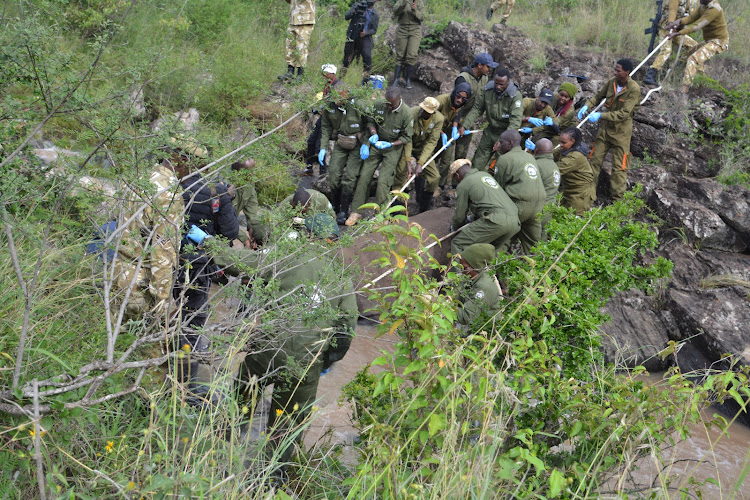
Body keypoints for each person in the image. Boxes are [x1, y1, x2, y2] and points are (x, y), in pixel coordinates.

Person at [212, 214, 357, 479]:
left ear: (308, 235)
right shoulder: (341, 275)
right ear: (333, 239)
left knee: (241, 398)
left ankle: (220, 459)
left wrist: (209, 244)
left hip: (265, 349)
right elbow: (347, 328)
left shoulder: (288, 256)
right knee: (286, 427)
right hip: (305, 363)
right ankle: (268, 483)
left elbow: (241, 263)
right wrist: (327, 360)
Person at [170, 137, 239, 407]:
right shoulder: (215, 191)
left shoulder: (168, 185)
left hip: (166, 263)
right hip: (198, 266)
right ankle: (185, 386)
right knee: (192, 321)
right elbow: (231, 232)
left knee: (162, 311)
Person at [112, 158, 183, 323]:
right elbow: (162, 251)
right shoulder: (168, 192)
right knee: (149, 346)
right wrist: (163, 302)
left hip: (120, 272)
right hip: (142, 286)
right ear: (184, 161)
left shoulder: (137, 177)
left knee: (118, 341)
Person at [346, 86, 414, 226]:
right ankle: (356, 211)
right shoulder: (379, 105)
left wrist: (391, 144)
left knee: (383, 181)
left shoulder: (406, 113)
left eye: (391, 104)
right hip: (377, 144)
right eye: (387, 103)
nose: (388, 107)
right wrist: (373, 133)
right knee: (364, 176)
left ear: (399, 99)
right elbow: (371, 121)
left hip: (392, 148)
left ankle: (381, 215)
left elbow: (407, 137)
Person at [579, 58, 640, 202]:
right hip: (605, 132)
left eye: (618, 71)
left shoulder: (634, 89)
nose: (615, 73)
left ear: (627, 72)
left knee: (619, 169)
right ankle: (588, 197)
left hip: (621, 133)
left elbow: (624, 114)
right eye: (615, 70)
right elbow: (598, 97)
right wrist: (587, 105)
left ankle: (617, 203)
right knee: (594, 162)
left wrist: (601, 115)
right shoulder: (612, 82)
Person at [449, 159, 520, 255]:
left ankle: (456, 270)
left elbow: (460, 216)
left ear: (457, 175)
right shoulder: (485, 175)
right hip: (515, 221)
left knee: (457, 244)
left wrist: (455, 228)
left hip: (496, 221)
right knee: (489, 252)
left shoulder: (464, 184)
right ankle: (486, 270)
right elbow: (490, 202)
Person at [318, 87, 367, 224]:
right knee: (333, 173)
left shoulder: (359, 106)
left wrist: (366, 144)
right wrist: (323, 148)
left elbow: (369, 125)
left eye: (340, 100)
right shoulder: (330, 107)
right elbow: (326, 128)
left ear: (347, 97)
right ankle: (335, 205)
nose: (337, 102)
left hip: (357, 144)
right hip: (341, 142)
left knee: (350, 177)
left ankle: (344, 210)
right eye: (335, 100)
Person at [491, 130, 546, 254]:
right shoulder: (530, 157)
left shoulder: (504, 159)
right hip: (538, 206)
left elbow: (498, 189)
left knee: (500, 238)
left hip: (519, 205)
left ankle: (492, 269)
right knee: (534, 245)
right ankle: (537, 269)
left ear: (510, 143)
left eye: (501, 142)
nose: (499, 144)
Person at [460, 68, 523, 172]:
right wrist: (465, 125)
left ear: (508, 82)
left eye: (501, 84)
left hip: (506, 135)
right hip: (490, 132)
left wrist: (503, 141)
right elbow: (477, 109)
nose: (498, 87)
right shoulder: (488, 90)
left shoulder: (515, 96)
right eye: (496, 83)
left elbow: (515, 122)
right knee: (477, 162)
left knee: (499, 166)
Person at [393, 96, 445, 214]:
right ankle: (397, 207)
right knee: (401, 173)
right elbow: (408, 138)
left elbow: (431, 142)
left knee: (434, 178)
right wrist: (408, 161)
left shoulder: (438, 119)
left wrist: (420, 163)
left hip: (423, 149)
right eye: (422, 109)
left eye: (426, 112)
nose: (423, 112)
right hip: (407, 145)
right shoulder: (412, 113)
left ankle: (423, 206)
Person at [664, 0, 729, 93]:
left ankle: (684, 88)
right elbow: (692, 18)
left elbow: (697, 26)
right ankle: (698, 80)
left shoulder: (714, 9)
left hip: (719, 42)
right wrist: (679, 21)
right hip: (709, 40)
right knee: (685, 58)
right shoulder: (704, 6)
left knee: (693, 59)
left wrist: (678, 33)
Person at [642, 0, 700, 87]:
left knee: (694, 46)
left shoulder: (694, 1)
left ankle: (679, 66)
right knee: (666, 50)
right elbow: (672, 10)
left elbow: (693, 16)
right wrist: (671, 23)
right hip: (666, 28)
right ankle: (651, 74)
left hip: (678, 31)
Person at [454, 53, 499, 163]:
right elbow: (456, 102)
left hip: (469, 118)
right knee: (445, 152)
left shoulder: (484, 79)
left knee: (462, 152)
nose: (490, 69)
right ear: (479, 65)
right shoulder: (463, 78)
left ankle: (457, 176)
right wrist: (455, 122)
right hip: (455, 116)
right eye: (488, 66)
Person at [305, 64, 342, 175]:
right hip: (324, 116)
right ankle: (309, 167)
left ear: (332, 74)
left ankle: (322, 173)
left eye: (326, 74)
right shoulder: (328, 84)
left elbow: (337, 103)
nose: (324, 76)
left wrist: (324, 107)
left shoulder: (338, 86)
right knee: (311, 141)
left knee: (320, 145)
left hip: (331, 119)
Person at [454, 243, 503, 328]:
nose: (460, 269)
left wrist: (444, 308)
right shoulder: (474, 276)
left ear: (474, 267)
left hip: (486, 330)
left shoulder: (484, 286)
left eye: (464, 267)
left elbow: (467, 317)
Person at [555, 127, 595, 215]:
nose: (560, 145)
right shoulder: (565, 149)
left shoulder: (575, 157)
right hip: (569, 191)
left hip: (580, 194)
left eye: (563, 143)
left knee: (574, 220)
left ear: (572, 141)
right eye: (560, 142)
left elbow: (555, 170)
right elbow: (551, 153)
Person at [229, 159, 267, 248]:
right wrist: (244, 238)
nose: (253, 174)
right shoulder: (227, 188)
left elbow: (252, 213)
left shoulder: (249, 183)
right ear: (238, 172)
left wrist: (254, 234)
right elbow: (225, 220)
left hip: (230, 226)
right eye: (250, 171)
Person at [278, 0, 316, 82]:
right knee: (289, 46)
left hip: (305, 19)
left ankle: (300, 74)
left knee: (301, 47)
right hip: (293, 18)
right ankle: (290, 71)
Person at [342, 0, 380, 83]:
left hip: (365, 37)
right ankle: (341, 78)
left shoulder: (375, 14)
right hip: (352, 34)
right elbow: (346, 17)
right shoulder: (357, 6)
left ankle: (366, 81)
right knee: (347, 58)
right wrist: (354, 11)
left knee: (367, 57)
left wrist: (365, 33)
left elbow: (374, 30)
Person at [392, 0, 425, 89]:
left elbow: (421, 17)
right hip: (402, 28)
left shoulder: (419, 2)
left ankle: (408, 79)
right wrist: (403, 4)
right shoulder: (402, 1)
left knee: (412, 55)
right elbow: (395, 11)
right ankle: (396, 79)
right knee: (400, 55)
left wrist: (414, 10)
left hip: (415, 30)